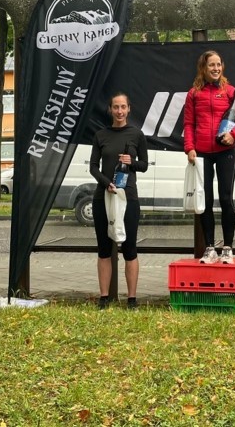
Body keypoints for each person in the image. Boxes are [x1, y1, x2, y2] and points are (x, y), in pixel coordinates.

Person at [183, 50, 235, 265]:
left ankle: (227, 248)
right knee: (206, 201)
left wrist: (233, 135)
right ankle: (210, 248)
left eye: (218, 64)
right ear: (203, 68)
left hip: (225, 153)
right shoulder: (193, 94)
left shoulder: (231, 92)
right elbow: (189, 124)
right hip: (202, 154)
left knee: (226, 198)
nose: (216, 68)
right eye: (211, 65)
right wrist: (189, 148)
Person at [89, 92, 148, 309]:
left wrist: (131, 162)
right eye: (116, 107)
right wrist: (106, 183)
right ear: (110, 109)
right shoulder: (100, 135)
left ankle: (132, 299)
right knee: (104, 248)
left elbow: (144, 165)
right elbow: (93, 167)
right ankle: (104, 298)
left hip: (128, 197)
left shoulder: (137, 134)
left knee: (129, 248)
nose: (120, 111)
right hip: (103, 196)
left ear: (129, 109)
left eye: (123, 107)